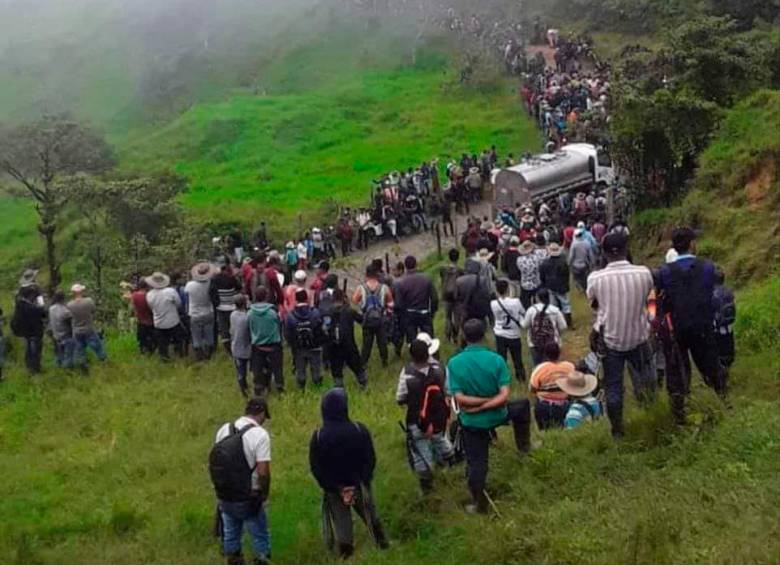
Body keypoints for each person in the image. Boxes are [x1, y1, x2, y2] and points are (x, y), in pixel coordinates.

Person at [446, 319, 531, 514]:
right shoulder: (496, 360)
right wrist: (490, 402)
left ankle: (478, 504)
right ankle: (524, 446)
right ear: (484, 335)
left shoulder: (454, 363)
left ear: (464, 337)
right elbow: (503, 396)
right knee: (522, 406)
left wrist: (476, 407)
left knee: (477, 464)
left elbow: (459, 398)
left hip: (472, 421)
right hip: (497, 414)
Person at [587, 232, 655, 438]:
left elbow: (594, 303)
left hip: (610, 341)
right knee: (646, 381)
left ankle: (617, 430)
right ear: (627, 250)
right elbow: (649, 300)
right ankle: (651, 417)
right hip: (639, 337)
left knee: (613, 387)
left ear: (604, 253)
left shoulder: (595, 278)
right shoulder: (644, 273)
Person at [656, 227, 727, 425]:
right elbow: (716, 286)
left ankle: (679, 417)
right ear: (692, 244)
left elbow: (659, 297)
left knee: (677, 373)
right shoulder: (707, 267)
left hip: (675, 329)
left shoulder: (664, 272)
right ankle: (723, 403)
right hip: (702, 326)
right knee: (711, 367)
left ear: (674, 247)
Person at [309, 388, 389, 558]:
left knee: (341, 525)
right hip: (359, 484)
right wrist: (361, 481)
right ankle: (384, 548)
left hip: (334, 489)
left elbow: (316, 468)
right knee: (371, 516)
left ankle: (347, 557)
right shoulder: (359, 430)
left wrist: (337, 488)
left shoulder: (318, 436)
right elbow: (370, 459)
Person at [211, 397, 272, 565]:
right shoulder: (260, 435)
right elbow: (263, 471)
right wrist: (263, 494)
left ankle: (234, 560)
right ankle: (262, 560)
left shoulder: (225, 429)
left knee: (231, 536)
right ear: (261, 413)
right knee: (260, 536)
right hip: (249, 496)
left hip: (225, 494)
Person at [397, 339, 455, 493]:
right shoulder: (440, 368)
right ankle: (451, 463)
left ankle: (428, 489)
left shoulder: (406, 373)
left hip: (417, 420)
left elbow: (400, 398)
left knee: (420, 454)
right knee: (440, 439)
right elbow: (448, 391)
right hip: (439, 417)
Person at [352, 265, 393, 367]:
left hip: (367, 319)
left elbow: (354, 300)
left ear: (366, 275)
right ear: (377, 275)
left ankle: (363, 363)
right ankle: (384, 361)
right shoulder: (384, 287)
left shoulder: (361, 288)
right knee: (382, 342)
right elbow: (391, 302)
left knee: (367, 344)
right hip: (380, 319)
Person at [529, 342, 575, 430]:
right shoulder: (569, 367)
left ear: (545, 354)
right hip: (565, 404)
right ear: (559, 352)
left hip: (544, 406)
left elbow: (532, 388)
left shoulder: (540, 369)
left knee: (545, 431)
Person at [285, 289, 325, 389]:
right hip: (314, 347)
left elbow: (287, 334)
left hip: (299, 349)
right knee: (316, 373)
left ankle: (301, 390)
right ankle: (317, 389)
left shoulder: (290, 316)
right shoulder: (315, 312)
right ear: (307, 298)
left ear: (296, 299)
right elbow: (321, 329)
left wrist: (293, 346)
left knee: (300, 373)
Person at [248, 287, 285, 396]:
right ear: (266, 296)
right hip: (274, 345)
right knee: (277, 369)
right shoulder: (273, 312)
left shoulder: (250, 313)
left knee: (258, 370)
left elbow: (249, 328)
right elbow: (279, 325)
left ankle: (259, 389)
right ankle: (280, 388)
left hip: (258, 346)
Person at [394, 256, 438, 343]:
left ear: (405, 267)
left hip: (409, 314)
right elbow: (435, 298)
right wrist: (432, 312)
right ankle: (432, 353)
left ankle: (415, 354)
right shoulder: (426, 279)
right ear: (416, 264)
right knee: (429, 339)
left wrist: (403, 315)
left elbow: (398, 304)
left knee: (412, 340)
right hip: (424, 312)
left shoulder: (401, 282)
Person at [329, 289, 367, 388]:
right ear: (343, 298)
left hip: (333, 346)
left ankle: (338, 389)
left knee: (336, 370)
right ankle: (363, 385)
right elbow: (362, 320)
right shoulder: (349, 311)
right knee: (357, 367)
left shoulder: (329, 312)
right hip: (349, 344)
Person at [491, 279, 526, 381]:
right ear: (507, 289)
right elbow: (523, 312)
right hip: (514, 334)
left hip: (500, 333)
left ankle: (502, 379)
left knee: (502, 358)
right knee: (517, 359)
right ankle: (521, 378)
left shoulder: (493, 303)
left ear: (496, 290)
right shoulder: (516, 302)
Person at [522, 289, 568, 367]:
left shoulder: (531, 310)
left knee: (538, 366)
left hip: (535, 343)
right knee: (553, 365)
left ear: (537, 298)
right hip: (552, 342)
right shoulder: (555, 310)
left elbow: (525, 325)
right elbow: (563, 326)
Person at [145, 272, 184, 361]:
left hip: (159, 323)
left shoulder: (149, 294)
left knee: (162, 343)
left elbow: (151, 307)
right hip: (173, 321)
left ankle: (164, 359)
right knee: (178, 340)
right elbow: (179, 304)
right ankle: (179, 355)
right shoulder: (171, 291)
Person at [67, 283, 107, 369]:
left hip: (76, 330)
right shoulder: (88, 301)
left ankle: (83, 365)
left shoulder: (69, 305)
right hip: (89, 328)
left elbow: (69, 317)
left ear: (73, 293)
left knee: (80, 349)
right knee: (97, 346)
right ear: (82, 291)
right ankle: (104, 361)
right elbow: (93, 310)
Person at [185, 262, 218, 360]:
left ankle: (199, 355)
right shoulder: (210, 284)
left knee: (196, 335)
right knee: (209, 334)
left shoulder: (189, 285)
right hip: (208, 312)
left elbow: (186, 295)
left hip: (195, 314)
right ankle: (209, 354)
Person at [454, 259, 492, 334]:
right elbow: (486, 295)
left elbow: (456, 297)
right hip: (479, 308)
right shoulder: (482, 280)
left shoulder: (459, 281)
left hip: (466, 308)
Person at [540, 242, 573, 328]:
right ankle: (568, 322)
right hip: (561, 286)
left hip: (550, 285)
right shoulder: (563, 262)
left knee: (553, 304)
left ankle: (554, 322)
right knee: (566, 304)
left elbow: (542, 275)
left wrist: (545, 284)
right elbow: (567, 275)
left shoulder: (545, 262)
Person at [214, 265, 242, 355]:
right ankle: (235, 346)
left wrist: (216, 303)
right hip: (231, 307)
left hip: (220, 307)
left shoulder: (215, 279)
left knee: (224, 328)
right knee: (232, 327)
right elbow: (239, 287)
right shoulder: (232, 279)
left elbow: (211, 292)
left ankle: (228, 350)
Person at [712, 268, 736, 370]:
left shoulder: (712, 293)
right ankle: (727, 365)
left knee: (718, 349)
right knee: (728, 346)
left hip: (717, 327)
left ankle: (720, 370)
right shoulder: (728, 291)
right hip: (729, 325)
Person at [231, 295, 252, 397]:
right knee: (251, 368)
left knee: (240, 371)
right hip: (247, 348)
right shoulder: (247, 317)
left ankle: (243, 388)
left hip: (235, 347)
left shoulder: (233, 315)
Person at [439, 248, 462, 343]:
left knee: (447, 317)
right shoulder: (460, 270)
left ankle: (448, 335)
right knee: (457, 317)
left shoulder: (443, 269)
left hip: (446, 295)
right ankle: (455, 335)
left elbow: (442, 279)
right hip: (456, 296)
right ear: (458, 257)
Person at [49, 290, 75, 369]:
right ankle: (67, 370)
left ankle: (58, 368)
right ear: (63, 298)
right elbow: (71, 324)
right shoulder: (66, 311)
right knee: (68, 356)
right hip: (66, 336)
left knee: (58, 354)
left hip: (56, 336)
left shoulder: (51, 308)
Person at [130, 280, 156, 354]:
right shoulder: (148, 296)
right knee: (151, 336)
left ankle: (142, 350)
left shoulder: (134, 295)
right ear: (146, 286)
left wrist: (136, 315)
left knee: (141, 337)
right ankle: (151, 350)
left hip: (140, 319)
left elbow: (133, 307)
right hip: (150, 320)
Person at [516, 240, 541, 309]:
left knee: (525, 302)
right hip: (536, 282)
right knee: (537, 300)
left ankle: (528, 312)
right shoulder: (536, 258)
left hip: (525, 283)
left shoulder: (519, 259)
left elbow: (519, 269)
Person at [569, 228, 595, 292]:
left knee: (576, 279)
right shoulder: (587, 243)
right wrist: (592, 263)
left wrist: (569, 263)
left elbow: (571, 256)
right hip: (584, 265)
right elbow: (591, 255)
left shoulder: (574, 244)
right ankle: (586, 289)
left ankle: (580, 289)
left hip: (575, 265)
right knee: (585, 278)